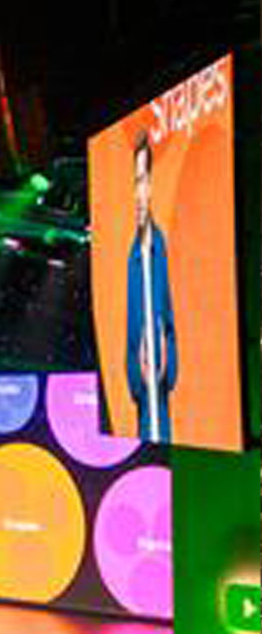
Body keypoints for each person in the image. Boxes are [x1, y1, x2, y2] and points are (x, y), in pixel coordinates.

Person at [124, 132, 180, 445]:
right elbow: (130, 333)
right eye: (135, 182)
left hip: (161, 392)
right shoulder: (133, 257)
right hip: (144, 399)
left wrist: (165, 362)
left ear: (152, 186)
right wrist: (139, 373)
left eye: (144, 181)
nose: (139, 192)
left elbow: (170, 319)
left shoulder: (159, 248)